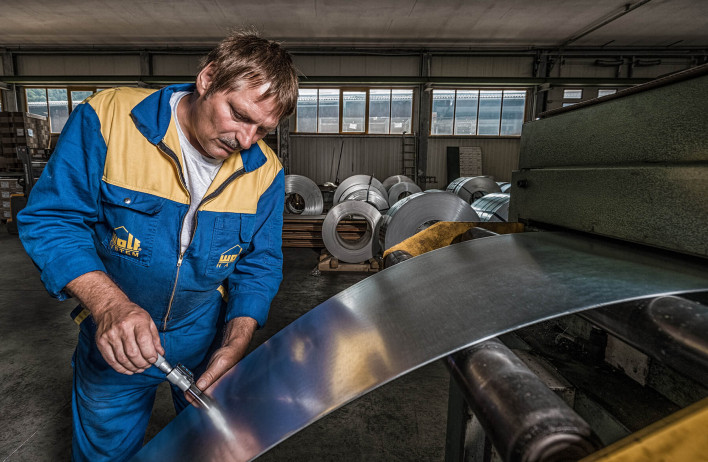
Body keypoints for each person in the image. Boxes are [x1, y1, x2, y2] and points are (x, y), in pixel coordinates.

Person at [17, 30, 298, 461]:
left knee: (212, 450)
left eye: (263, 129)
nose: (245, 140)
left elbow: (258, 265)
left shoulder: (265, 171)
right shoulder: (109, 119)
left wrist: (235, 343)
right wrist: (109, 305)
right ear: (208, 78)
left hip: (205, 339)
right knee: (104, 454)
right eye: (239, 115)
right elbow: (54, 219)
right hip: (117, 339)